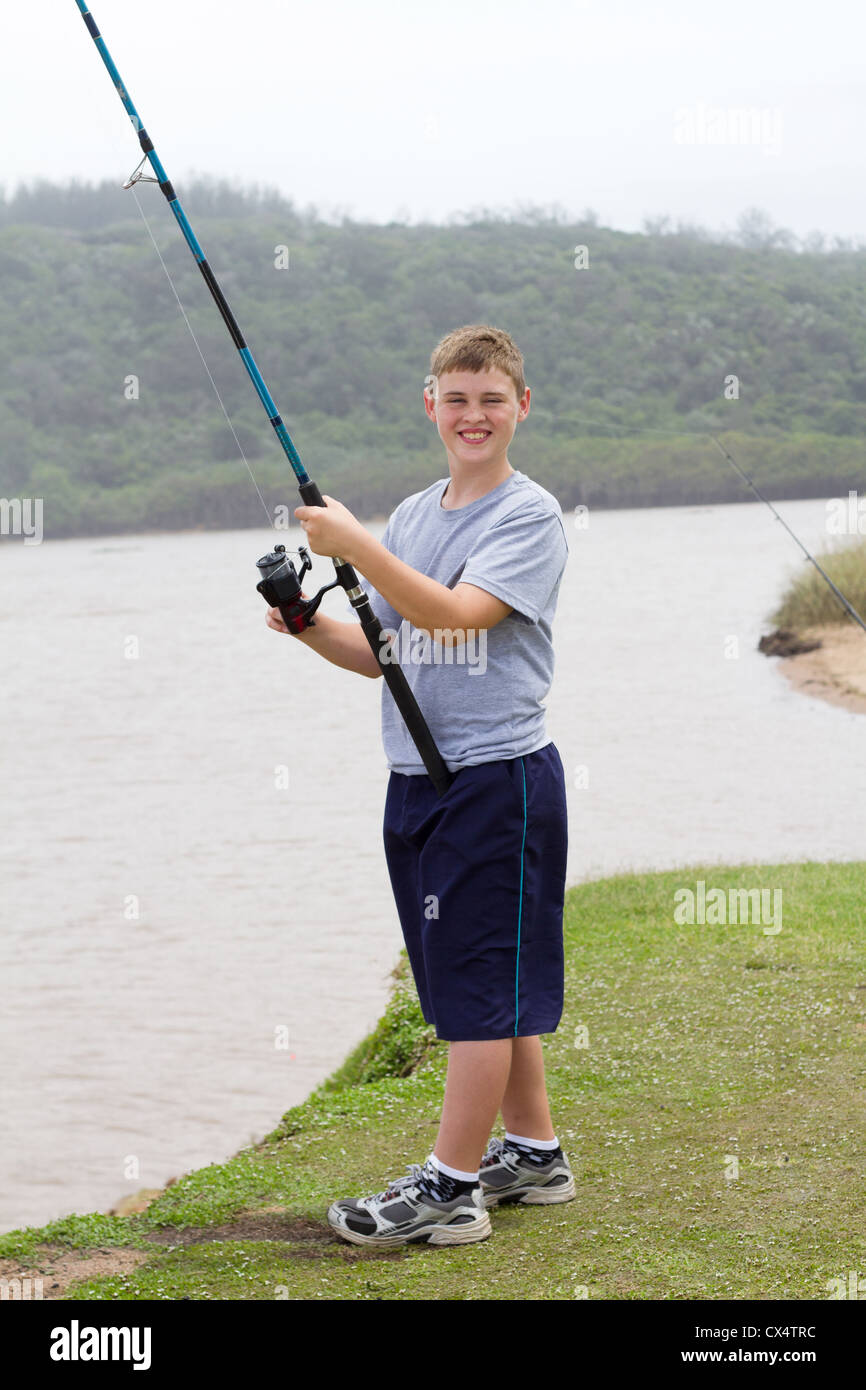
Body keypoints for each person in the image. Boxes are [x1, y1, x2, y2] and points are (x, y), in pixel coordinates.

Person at [266, 324, 573, 1248]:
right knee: (472, 976)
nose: (472, 415)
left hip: (497, 779)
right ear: (429, 404)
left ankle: (450, 1189)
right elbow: (386, 652)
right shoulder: (411, 518)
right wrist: (308, 622)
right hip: (416, 780)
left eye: (491, 399)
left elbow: (462, 616)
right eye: (456, 398)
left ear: (521, 407)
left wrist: (355, 545)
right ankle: (532, 1151)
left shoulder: (529, 517)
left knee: (479, 980)